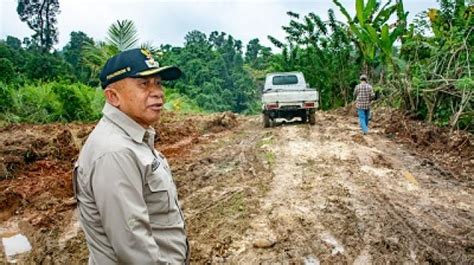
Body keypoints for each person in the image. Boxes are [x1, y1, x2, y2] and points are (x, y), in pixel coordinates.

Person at [73, 48, 188, 264]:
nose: (158, 92)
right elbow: (134, 248)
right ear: (113, 97)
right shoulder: (115, 152)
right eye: (144, 84)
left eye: (158, 83)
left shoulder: (134, 139)